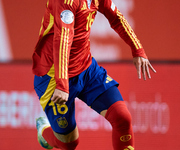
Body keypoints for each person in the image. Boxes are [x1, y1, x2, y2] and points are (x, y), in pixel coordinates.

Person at [32, 0, 156, 149]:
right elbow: (63, 39)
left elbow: (116, 17)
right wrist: (62, 84)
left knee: (122, 117)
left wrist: (137, 49)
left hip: (87, 69)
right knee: (69, 144)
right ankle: (44, 130)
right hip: (53, 75)